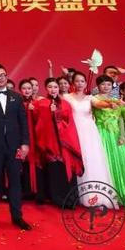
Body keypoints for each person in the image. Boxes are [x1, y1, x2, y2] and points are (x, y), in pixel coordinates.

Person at [0, 64, 32, 230]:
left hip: (14, 146)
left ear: (6, 76)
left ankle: (17, 217)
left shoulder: (16, 97)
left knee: (15, 181)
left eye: (2, 74)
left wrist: (25, 143)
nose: (0, 78)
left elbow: (23, 122)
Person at [64, 72, 115, 207]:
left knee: (92, 161)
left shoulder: (90, 98)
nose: (80, 84)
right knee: (78, 161)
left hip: (89, 133)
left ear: (86, 83)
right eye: (77, 81)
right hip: (74, 133)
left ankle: (96, 195)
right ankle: (78, 195)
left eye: (82, 81)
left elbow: (99, 104)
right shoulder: (67, 97)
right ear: (72, 83)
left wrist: (109, 105)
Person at [33, 78, 84, 207]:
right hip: (50, 141)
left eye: (55, 87)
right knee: (54, 171)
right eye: (50, 87)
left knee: (67, 170)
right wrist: (49, 113)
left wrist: (58, 118)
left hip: (65, 142)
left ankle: (71, 200)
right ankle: (57, 198)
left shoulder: (66, 104)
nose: (53, 89)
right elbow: (38, 123)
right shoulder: (41, 103)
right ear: (46, 88)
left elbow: (70, 122)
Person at [91, 75, 125, 207]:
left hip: (117, 135)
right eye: (103, 84)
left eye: (108, 84)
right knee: (105, 165)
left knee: (123, 163)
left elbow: (120, 119)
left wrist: (123, 135)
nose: (106, 87)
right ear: (98, 86)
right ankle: (106, 197)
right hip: (102, 134)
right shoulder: (94, 99)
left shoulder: (116, 100)